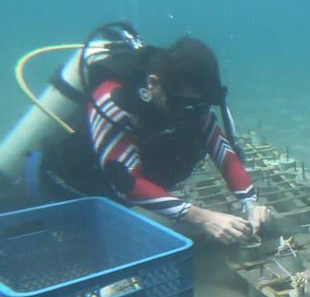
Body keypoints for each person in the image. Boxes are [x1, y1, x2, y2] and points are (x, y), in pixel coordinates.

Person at [37, 32, 270, 243]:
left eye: (201, 105)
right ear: (153, 84)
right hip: (67, 189)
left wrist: (250, 203)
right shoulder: (114, 100)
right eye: (185, 105)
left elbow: (225, 154)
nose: (193, 113)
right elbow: (129, 183)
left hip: (124, 196)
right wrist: (204, 218)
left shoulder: (192, 103)